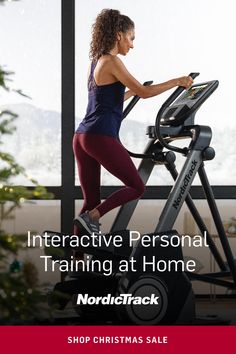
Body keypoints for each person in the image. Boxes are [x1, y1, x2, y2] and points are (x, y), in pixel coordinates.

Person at [73, 8, 193, 235]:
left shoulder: (97, 62)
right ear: (119, 35)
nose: (132, 44)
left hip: (81, 137)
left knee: (91, 199)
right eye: (131, 38)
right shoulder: (112, 61)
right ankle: (93, 218)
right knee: (137, 187)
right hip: (100, 136)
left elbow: (107, 99)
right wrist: (177, 81)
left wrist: (132, 93)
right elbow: (145, 92)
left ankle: (76, 259)